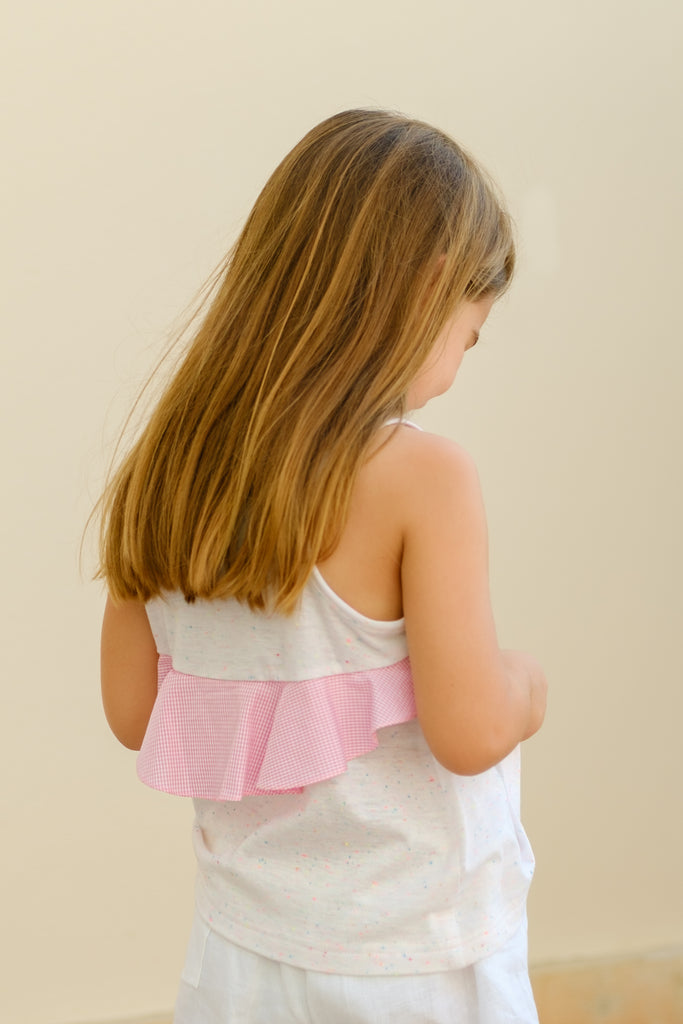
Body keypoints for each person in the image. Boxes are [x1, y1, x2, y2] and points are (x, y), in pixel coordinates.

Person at [97, 108, 547, 1023]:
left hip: (240, 958)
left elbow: (135, 715)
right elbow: (467, 731)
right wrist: (525, 686)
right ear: (427, 289)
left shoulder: (170, 464)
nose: (461, 358)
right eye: (470, 333)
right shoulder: (425, 478)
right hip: (416, 964)